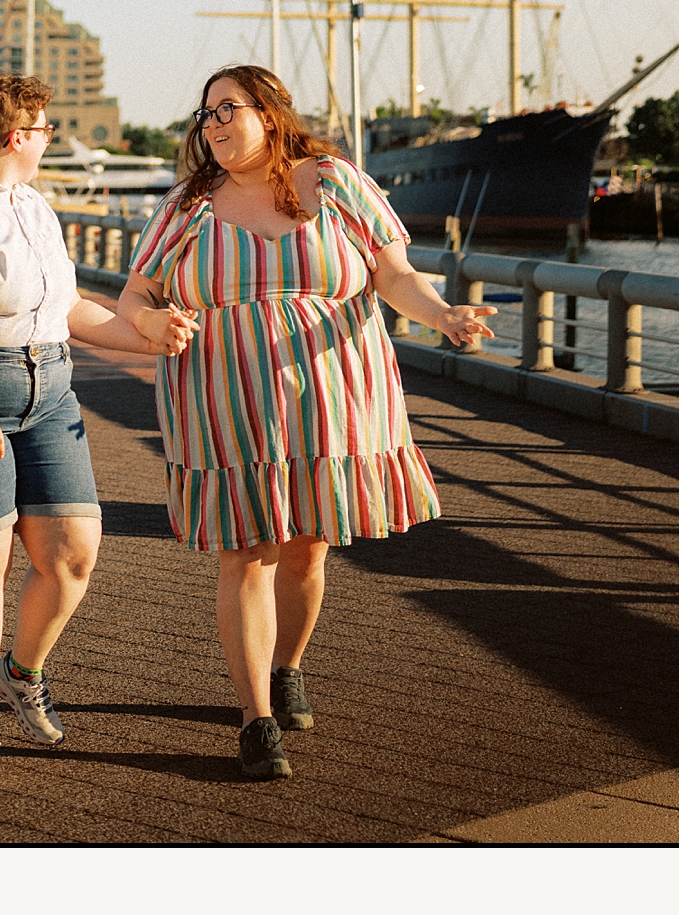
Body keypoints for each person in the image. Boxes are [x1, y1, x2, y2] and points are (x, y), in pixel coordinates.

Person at [117, 65, 497, 781]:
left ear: (270, 111)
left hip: (333, 391)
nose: (215, 124)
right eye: (205, 115)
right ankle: (256, 718)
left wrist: (444, 314)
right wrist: (148, 319)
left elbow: (394, 276)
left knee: (306, 550)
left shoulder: (335, 183)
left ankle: (287, 664)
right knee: (247, 551)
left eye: (228, 108)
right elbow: (133, 294)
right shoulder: (188, 205)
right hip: (223, 397)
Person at [0, 73, 198, 787]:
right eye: (46, 126)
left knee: (72, 554)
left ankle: (22, 670)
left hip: (47, 388)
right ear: (17, 136)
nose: (51, 135)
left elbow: (66, 309)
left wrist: (145, 332)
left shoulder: (34, 205)